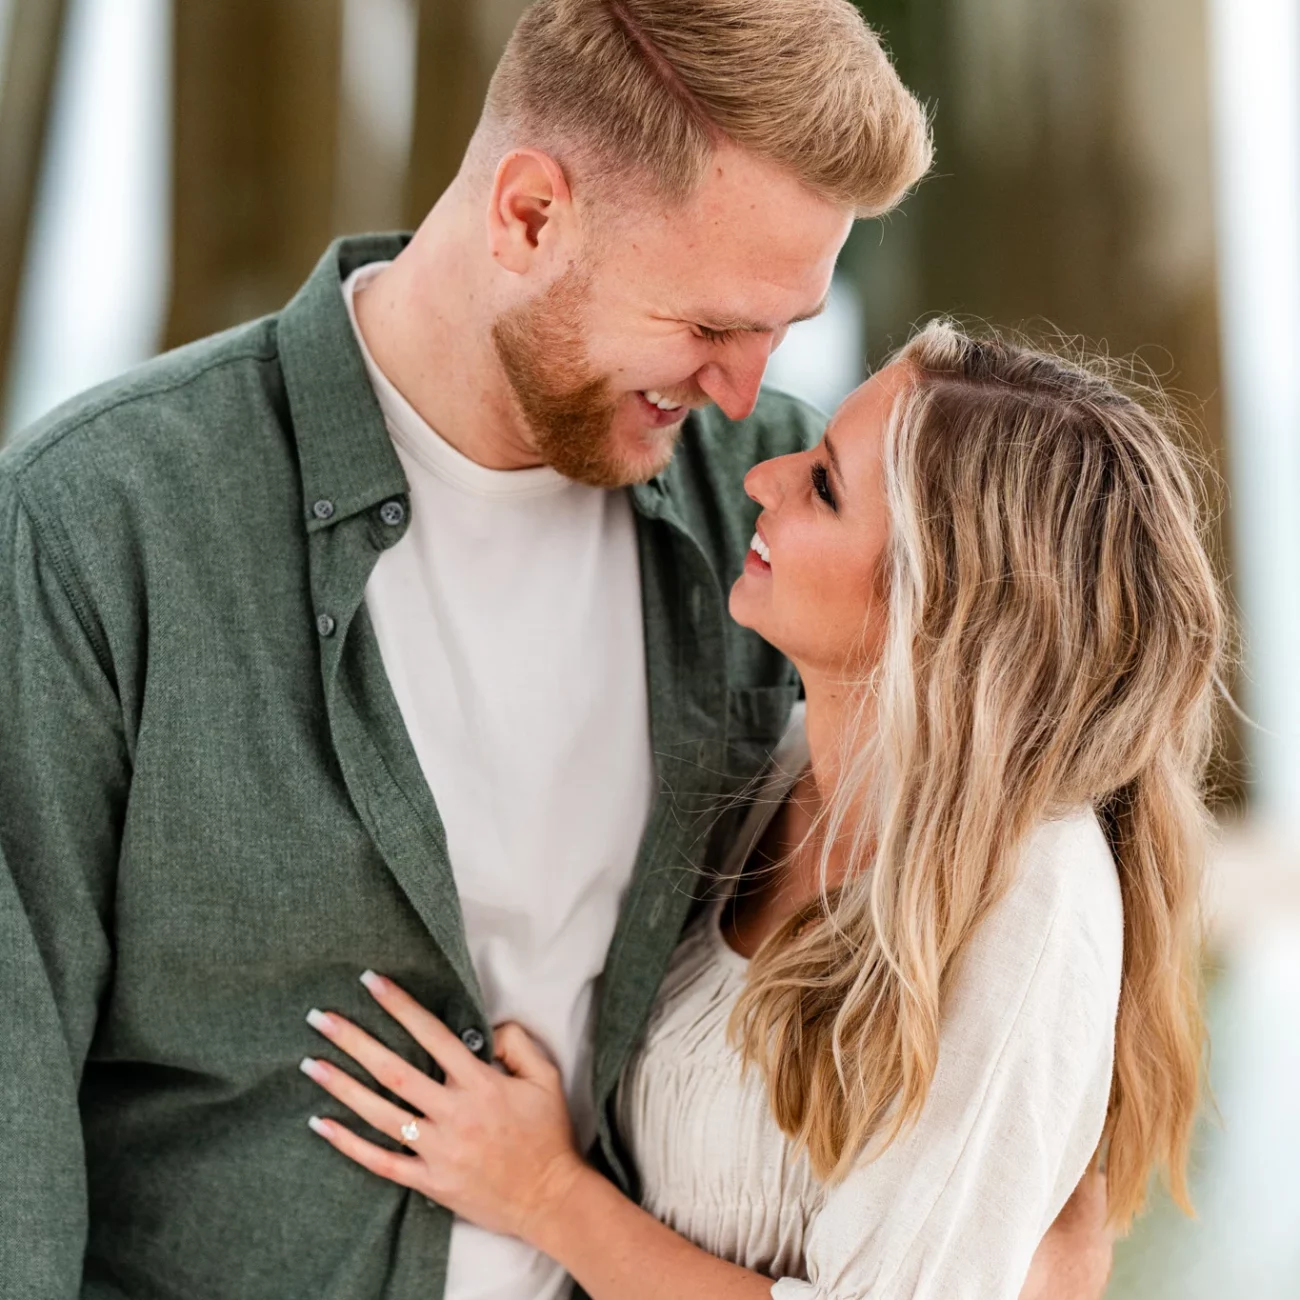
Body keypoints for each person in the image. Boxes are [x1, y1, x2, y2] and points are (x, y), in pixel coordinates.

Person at [0, 2, 1102, 1297]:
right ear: (529, 216)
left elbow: (1035, 912)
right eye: (708, 327)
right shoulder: (93, 527)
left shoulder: (785, 516)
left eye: (784, 328)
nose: (744, 393)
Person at [297, 321, 1224, 1298]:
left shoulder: (1028, 897)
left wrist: (544, 1194)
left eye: (823, 485)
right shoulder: (778, 770)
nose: (760, 478)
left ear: (937, 604)